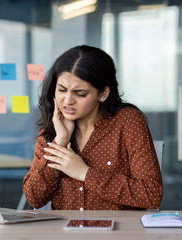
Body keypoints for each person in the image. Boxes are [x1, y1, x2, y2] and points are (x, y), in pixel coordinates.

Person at [22, 45, 163, 210]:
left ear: (103, 94)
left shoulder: (127, 121)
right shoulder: (53, 131)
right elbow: (34, 198)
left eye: (80, 94)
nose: (67, 101)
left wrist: (85, 173)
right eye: (61, 90)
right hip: (65, 234)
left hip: (117, 233)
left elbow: (151, 195)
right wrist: (60, 141)